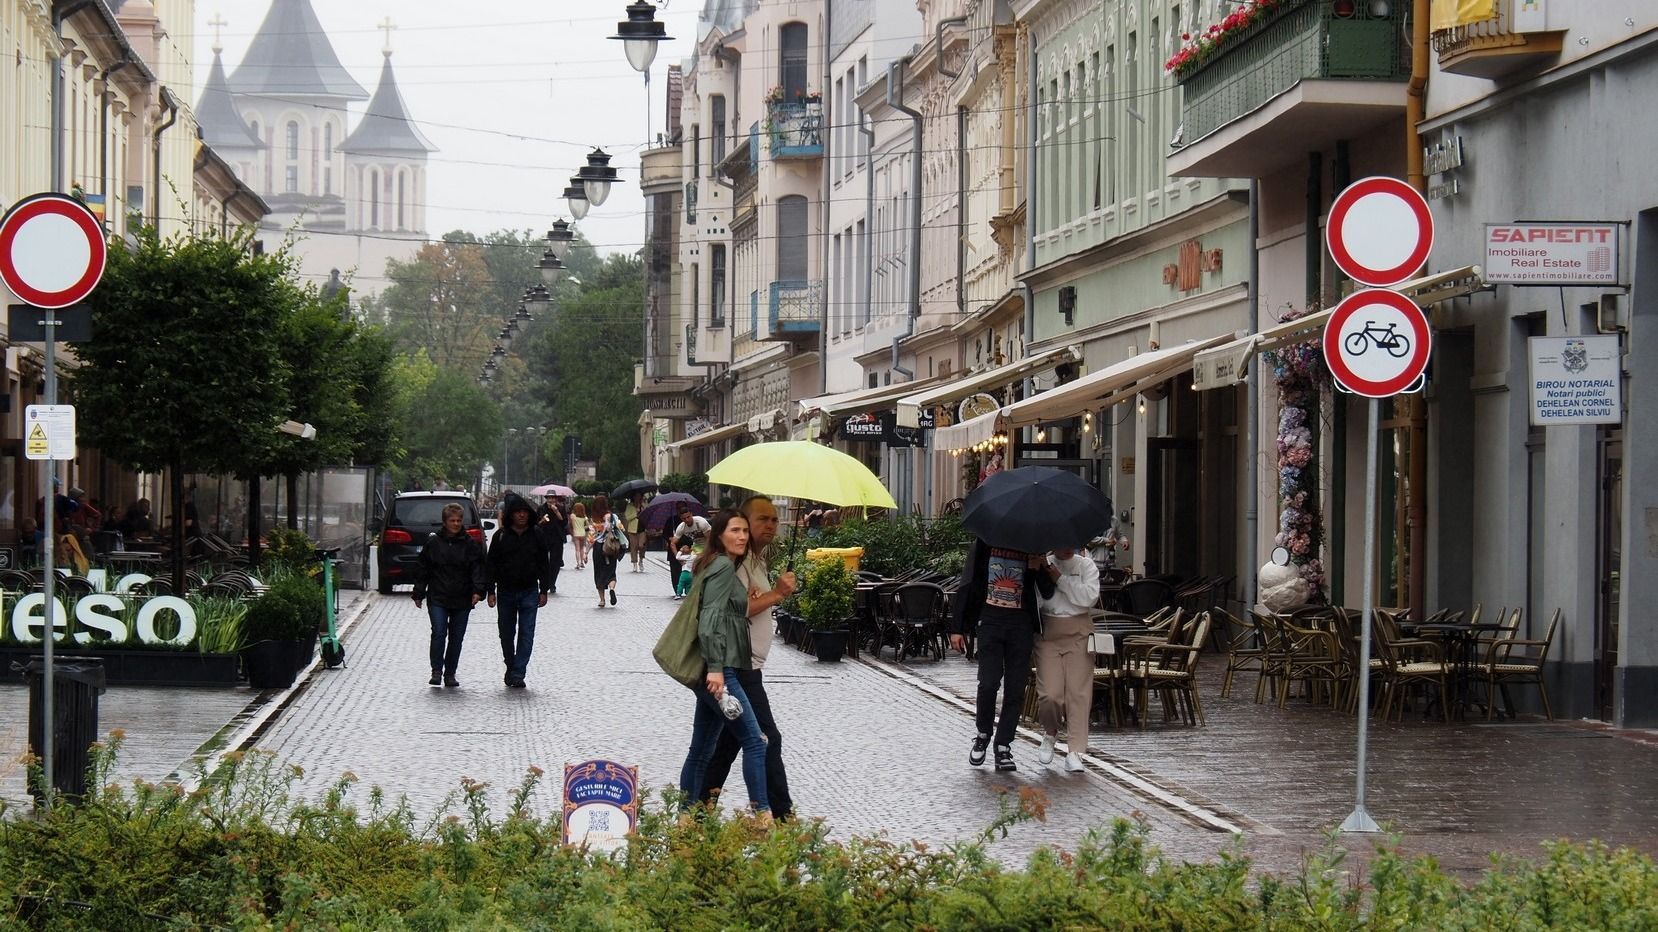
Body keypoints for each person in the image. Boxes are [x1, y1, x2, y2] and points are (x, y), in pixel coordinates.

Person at [698, 495, 797, 820]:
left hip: (746, 665)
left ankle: (698, 810)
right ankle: (779, 816)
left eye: (774, 519)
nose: (770, 525)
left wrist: (769, 594)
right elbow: (735, 611)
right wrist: (777, 594)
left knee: (726, 743)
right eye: (762, 519)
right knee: (766, 738)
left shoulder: (754, 560)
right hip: (737, 667)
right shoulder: (734, 563)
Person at [677, 510, 772, 822]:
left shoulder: (719, 565)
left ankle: (686, 820)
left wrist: (749, 596)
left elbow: (726, 609)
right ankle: (762, 818)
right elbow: (710, 621)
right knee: (756, 742)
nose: (742, 536)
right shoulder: (721, 567)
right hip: (721, 670)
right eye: (735, 530)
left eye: (745, 531)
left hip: (714, 669)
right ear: (719, 535)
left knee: (702, 751)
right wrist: (717, 670)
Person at [949, 538, 1056, 771]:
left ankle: (1003, 745)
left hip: (1021, 624)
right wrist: (957, 627)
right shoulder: (985, 542)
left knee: (1016, 688)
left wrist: (1038, 567)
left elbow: (1048, 591)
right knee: (988, 683)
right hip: (990, 621)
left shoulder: (1032, 545)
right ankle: (983, 734)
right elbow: (968, 582)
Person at [1035, 547, 1100, 772]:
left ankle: (1075, 750)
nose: (1065, 547)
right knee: (1049, 694)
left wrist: (1060, 579)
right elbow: (1038, 600)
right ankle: (1051, 731)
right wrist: (1041, 572)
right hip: (1048, 632)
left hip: (1079, 630)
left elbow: (1089, 598)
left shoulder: (1086, 565)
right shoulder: (1042, 563)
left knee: (1078, 693)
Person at [413, 503, 487, 688]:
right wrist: (419, 592)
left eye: (459, 520)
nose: (456, 524)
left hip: (462, 597)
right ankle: (436, 670)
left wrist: (478, 591)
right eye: (452, 520)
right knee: (438, 632)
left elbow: (477, 568)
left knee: (456, 637)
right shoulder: (433, 543)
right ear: (444, 522)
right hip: (438, 595)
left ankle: (450, 672)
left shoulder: (469, 544)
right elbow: (423, 568)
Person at [486, 493, 552, 688]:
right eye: (517, 512)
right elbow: (491, 565)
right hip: (505, 591)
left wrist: (544, 589)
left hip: (529, 591)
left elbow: (543, 563)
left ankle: (518, 672)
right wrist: (490, 590)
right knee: (506, 633)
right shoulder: (501, 536)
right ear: (511, 515)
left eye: (524, 512)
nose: (521, 515)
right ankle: (510, 663)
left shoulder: (537, 534)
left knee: (526, 633)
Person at [587, 494, 622, 608]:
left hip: (598, 548)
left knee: (599, 573)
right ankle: (612, 588)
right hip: (610, 547)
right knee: (611, 572)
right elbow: (621, 528)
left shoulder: (594, 519)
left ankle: (602, 600)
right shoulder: (612, 516)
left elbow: (591, 537)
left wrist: (585, 553)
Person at [668, 506, 711, 596]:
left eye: (688, 517)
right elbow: (672, 543)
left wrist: (705, 554)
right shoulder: (681, 527)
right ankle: (695, 590)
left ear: (691, 514)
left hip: (709, 544)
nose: (687, 520)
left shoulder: (701, 522)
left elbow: (710, 539)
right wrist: (678, 557)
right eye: (684, 518)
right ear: (681, 519)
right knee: (693, 567)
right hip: (697, 546)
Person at [537, 495, 568, 594]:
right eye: (549, 498)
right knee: (542, 561)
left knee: (556, 562)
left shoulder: (561, 508)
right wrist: (543, 520)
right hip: (544, 537)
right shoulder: (541, 508)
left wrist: (556, 512)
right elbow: (537, 523)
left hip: (557, 538)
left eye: (553, 498)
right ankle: (544, 582)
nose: (551, 500)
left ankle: (552, 583)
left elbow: (564, 523)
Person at [623, 492, 647, 573]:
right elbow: (627, 517)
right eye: (636, 496)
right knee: (634, 547)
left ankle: (641, 560)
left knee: (641, 545)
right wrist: (635, 513)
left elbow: (648, 514)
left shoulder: (643, 505)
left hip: (642, 528)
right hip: (633, 529)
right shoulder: (630, 506)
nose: (638, 498)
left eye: (639, 496)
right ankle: (634, 563)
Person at [569, 502, 590, 569]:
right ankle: (582, 563)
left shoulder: (572, 516)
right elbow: (588, 525)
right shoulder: (585, 517)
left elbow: (571, 525)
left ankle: (578, 564)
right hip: (583, 533)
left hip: (576, 534)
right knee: (581, 549)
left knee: (577, 549)